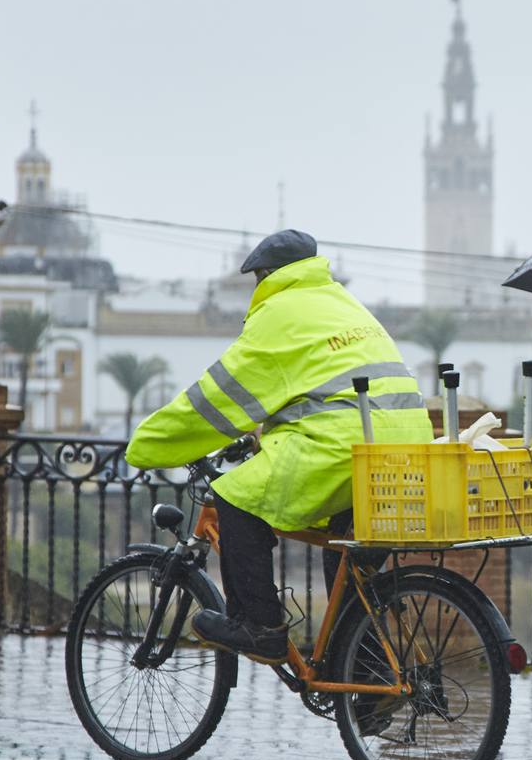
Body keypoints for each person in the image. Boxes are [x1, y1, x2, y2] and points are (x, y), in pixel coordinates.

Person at [125, 229, 433, 664]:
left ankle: (261, 628)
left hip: (341, 449)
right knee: (345, 558)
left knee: (235, 494)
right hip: (403, 450)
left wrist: (147, 445)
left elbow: (218, 398)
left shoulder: (281, 313)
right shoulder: (343, 304)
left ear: (267, 275)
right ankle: (367, 683)